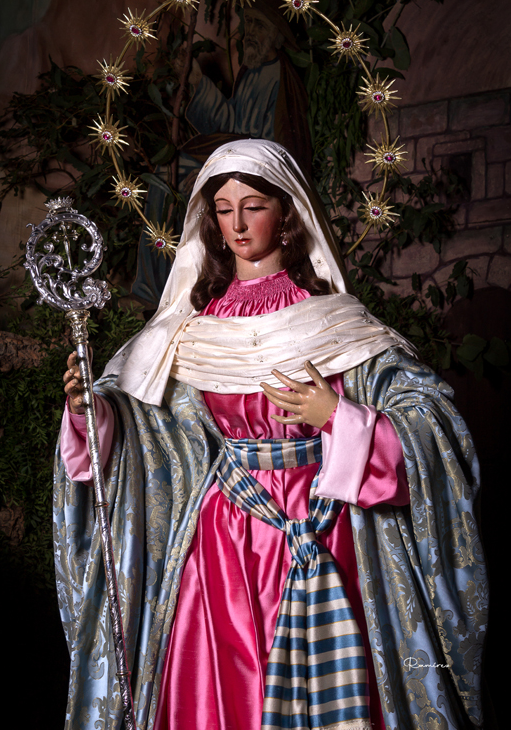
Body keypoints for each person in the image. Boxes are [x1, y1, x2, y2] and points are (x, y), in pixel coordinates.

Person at [56, 139, 487, 730]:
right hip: (225, 539)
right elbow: (146, 434)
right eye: (223, 209)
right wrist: (93, 413)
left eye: (253, 206)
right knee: (227, 685)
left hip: (328, 522)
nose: (237, 224)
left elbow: (431, 423)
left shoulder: (337, 321)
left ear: (286, 213)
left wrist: (338, 417)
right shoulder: (190, 331)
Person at [133, 0, 312, 306]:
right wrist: (197, 81)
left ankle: (170, 283)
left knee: (178, 181)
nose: (249, 33)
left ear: (277, 34)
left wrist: (216, 175)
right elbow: (230, 125)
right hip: (234, 165)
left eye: (258, 25)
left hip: (254, 173)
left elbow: (268, 149)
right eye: (248, 24)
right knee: (164, 177)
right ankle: (156, 288)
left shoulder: (278, 77)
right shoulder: (251, 71)